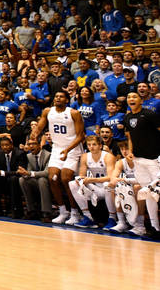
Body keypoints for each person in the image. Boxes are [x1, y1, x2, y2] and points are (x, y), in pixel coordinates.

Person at [31, 89, 86, 224]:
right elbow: (40, 127)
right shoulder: (47, 111)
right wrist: (35, 134)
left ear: (67, 100)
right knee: (52, 178)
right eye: (56, 96)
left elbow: (81, 136)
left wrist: (68, 149)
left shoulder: (74, 113)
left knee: (66, 178)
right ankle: (63, 211)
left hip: (72, 149)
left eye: (61, 96)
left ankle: (75, 212)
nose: (58, 98)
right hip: (57, 148)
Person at [122, 90, 160, 238]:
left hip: (154, 159)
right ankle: (155, 227)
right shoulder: (128, 117)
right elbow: (130, 136)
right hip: (139, 160)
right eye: (129, 96)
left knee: (156, 192)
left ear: (141, 100)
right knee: (148, 194)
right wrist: (131, 151)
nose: (131, 98)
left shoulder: (149, 114)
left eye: (134, 97)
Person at [67, 135, 117, 229]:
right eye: (89, 145)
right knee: (73, 183)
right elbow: (82, 175)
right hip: (96, 188)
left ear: (100, 146)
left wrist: (91, 180)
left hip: (110, 189)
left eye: (94, 144)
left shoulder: (108, 157)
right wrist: (81, 180)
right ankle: (88, 217)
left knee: (107, 185)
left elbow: (111, 177)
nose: (91, 147)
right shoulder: (85, 156)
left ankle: (112, 218)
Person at [18, 137, 53, 222]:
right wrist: (24, 174)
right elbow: (29, 171)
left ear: (40, 145)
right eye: (29, 144)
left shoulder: (48, 155)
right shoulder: (29, 156)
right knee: (22, 180)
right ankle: (31, 210)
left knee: (42, 179)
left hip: (49, 182)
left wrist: (29, 174)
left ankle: (46, 212)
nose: (31, 146)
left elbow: (47, 172)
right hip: (36, 181)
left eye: (33, 144)